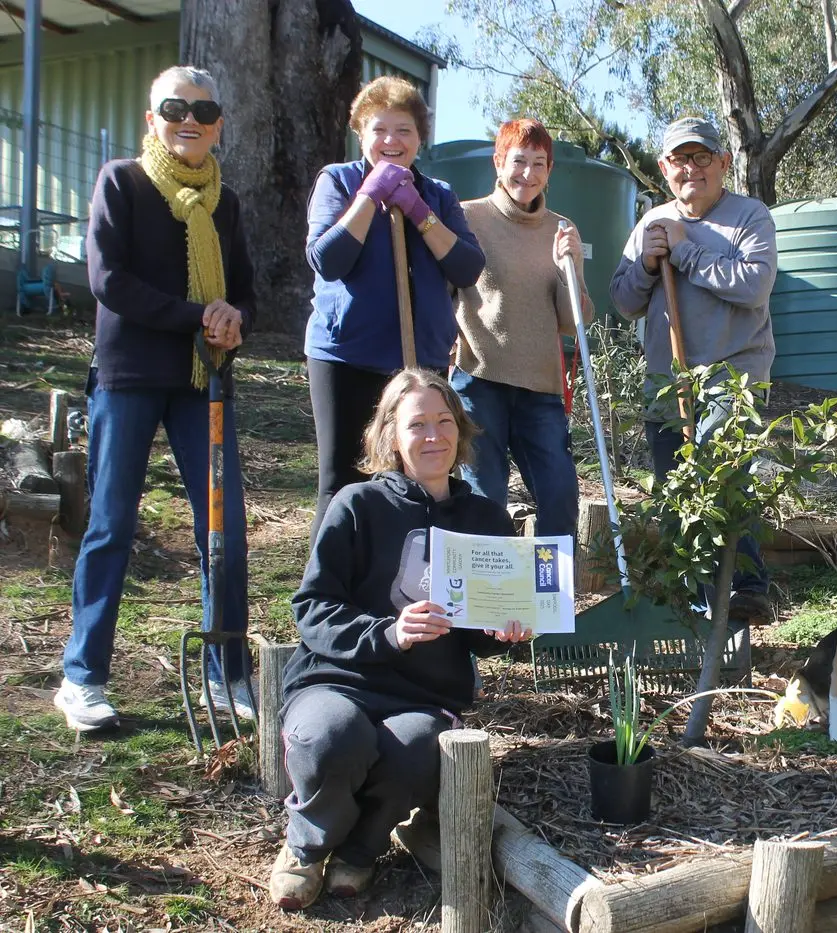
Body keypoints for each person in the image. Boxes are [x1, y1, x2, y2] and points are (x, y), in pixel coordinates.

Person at [268, 369, 531, 911]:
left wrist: (505, 632)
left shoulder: (485, 519)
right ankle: (308, 844)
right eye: (417, 425)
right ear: (391, 436)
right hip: (337, 680)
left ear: (460, 430)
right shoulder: (356, 504)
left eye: (444, 422)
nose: (433, 436)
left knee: (415, 753)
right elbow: (311, 606)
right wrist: (386, 632)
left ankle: (361, 852)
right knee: (331, 739)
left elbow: (483, 636)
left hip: (424, 695)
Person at [54, 66, 256, 732]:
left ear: (219, 123)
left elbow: (247, 293)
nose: (188, 119)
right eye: (173, 108)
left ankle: (227, 675)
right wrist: (198, 314)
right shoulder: (123, 181)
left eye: (202, 108)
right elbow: (108, 280)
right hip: (130, 375)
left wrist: (234, 320)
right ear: (153, 119)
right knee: (111, 525)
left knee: (222, 532)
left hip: (205, 382)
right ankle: (83, 677)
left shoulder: (225, 204)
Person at [609, 116, 777, 622]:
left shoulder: (750, 216)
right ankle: (696, 603)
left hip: (734, 374)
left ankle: (746, 588)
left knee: (720, 473)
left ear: (723, 163)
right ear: (664, 168)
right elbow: (622, 300)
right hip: (667, 380)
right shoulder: (650, 222)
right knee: (676, 489)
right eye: (680, 159)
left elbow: (754, 287)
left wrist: (683, 251)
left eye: (702, 157)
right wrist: (646, 263)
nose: (691, 169)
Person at [304, 75, 486, 542]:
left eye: (403, 130)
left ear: (420, 139)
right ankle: (327, 599)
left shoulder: (439, 194)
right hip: (346, 356)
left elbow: (467, 267)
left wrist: (418, 210)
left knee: (413, 480)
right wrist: (370, 195)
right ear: (360, 135)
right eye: (379, 130)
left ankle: (402, 590)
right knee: (343, 479)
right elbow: (329, 259)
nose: (391, 141)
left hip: (418, 362)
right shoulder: (338, 181)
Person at [451, 119, 592, 537]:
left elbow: (572, 321)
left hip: (541, 389)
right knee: (484, 502)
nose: (527, 174)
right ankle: (488, 598)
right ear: (499, 162)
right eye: (518, 161)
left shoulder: (562, 229)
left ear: (550, 170)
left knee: (560, 498)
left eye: (538, 163)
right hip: (480, 380)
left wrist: (570, 268)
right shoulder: (467, 217)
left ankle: (546, 595)